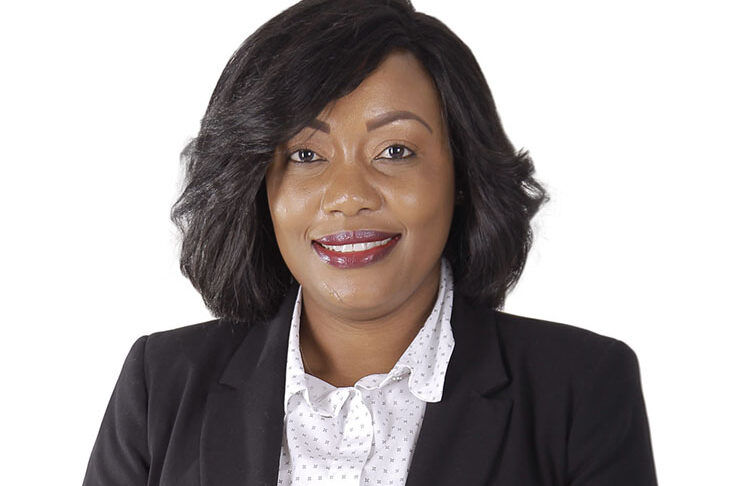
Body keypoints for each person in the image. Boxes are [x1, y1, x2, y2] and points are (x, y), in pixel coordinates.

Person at [83, 0, 658, 484]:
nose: (348, 196)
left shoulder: (581, 388)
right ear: (256, 184)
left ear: (461, 175)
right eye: (305, 155)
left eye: (395, 151)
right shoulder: (161, 386)